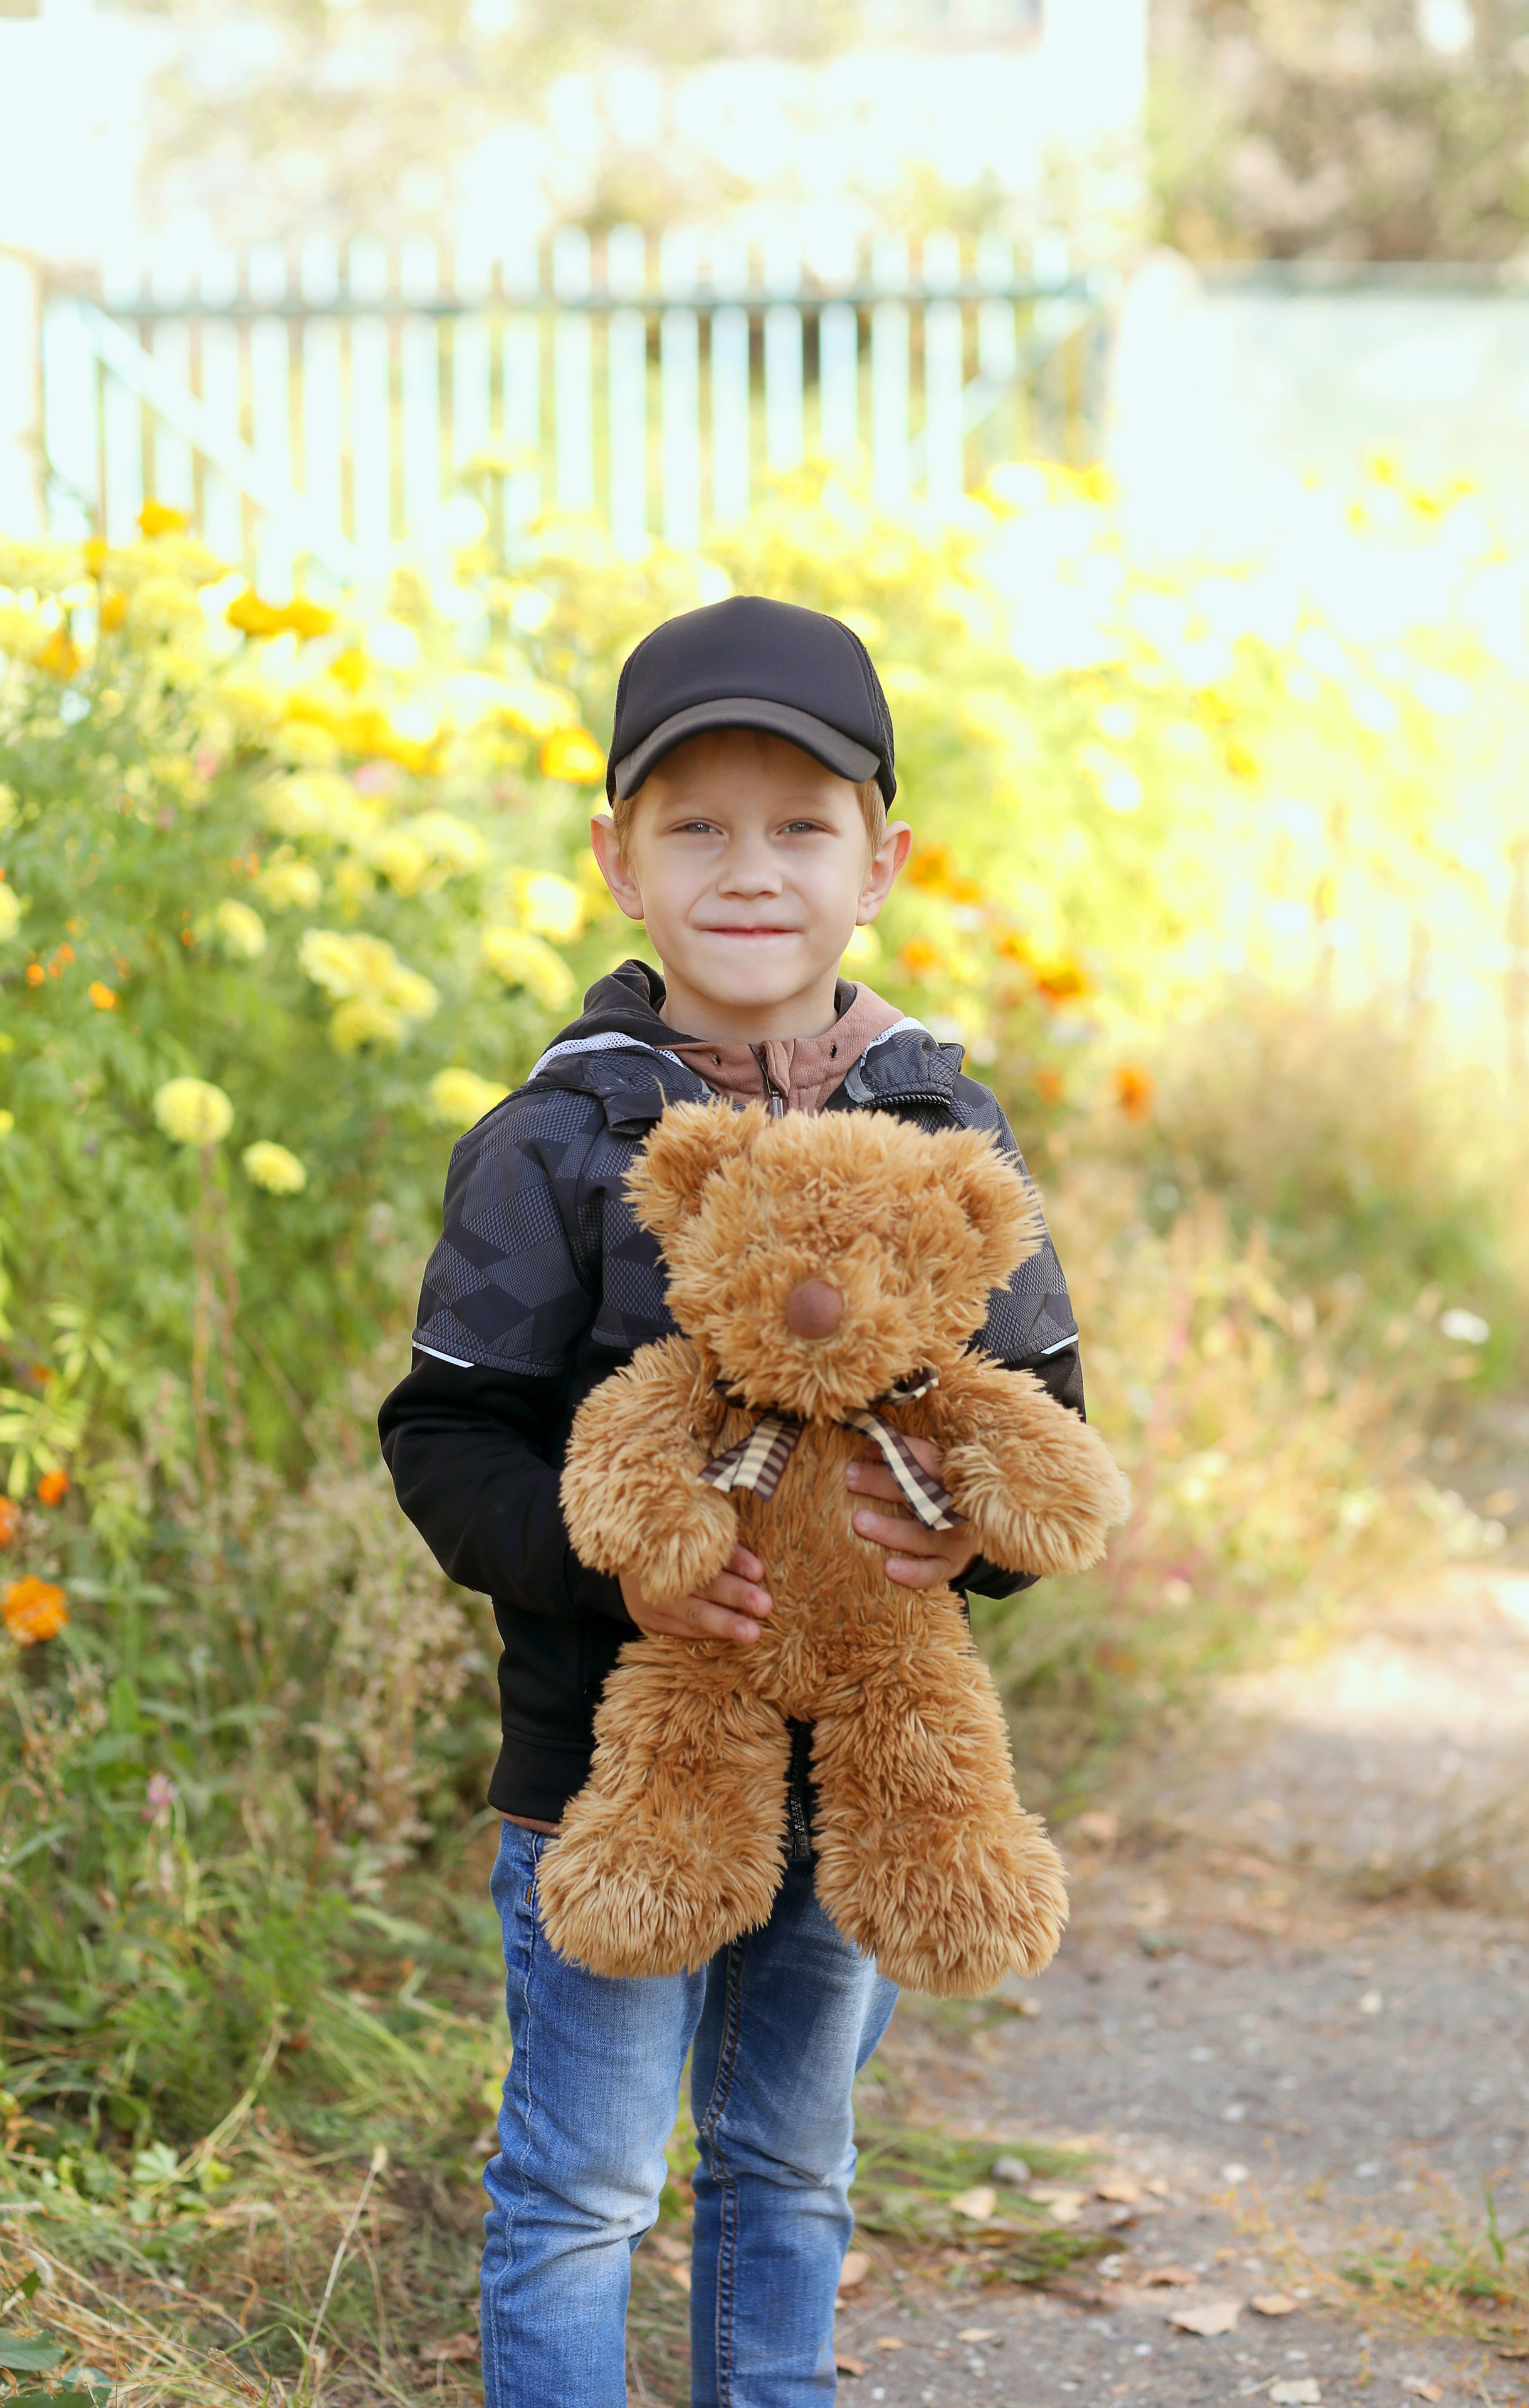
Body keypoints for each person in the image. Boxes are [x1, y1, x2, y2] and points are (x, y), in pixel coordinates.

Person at [379, 594, 1085, 2407]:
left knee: (792, 2167)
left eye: (800, 826)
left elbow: (1039, 1419)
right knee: (586, 2189)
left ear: (880, 862)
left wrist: (968, 1536)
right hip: (608, 1770)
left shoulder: (949, 1125)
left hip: (862, 1772)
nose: (749, 868)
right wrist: (623, 1572)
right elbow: (447, 1439)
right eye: (694, 824)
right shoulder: (558, 1139)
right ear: (618, 859)